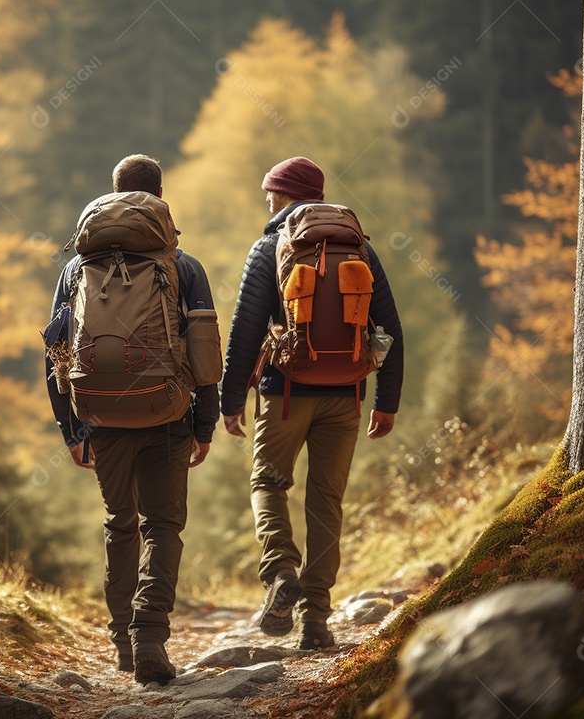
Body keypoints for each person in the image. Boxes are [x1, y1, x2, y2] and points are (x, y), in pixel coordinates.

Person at [45, 154, 220, 684]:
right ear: (160, 197)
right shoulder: (183, 266)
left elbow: (56, 349)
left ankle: (123, 643)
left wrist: (72, 428)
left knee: (120, 524)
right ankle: (150, 637)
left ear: (114, 194)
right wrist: (205, 424)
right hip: (168, 412)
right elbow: (206, 353)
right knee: (162, 525)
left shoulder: (77, 269)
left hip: (100, 414)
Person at [221, 156, 404, 650]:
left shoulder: (269, 248)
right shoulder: (360, 248)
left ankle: (281, 570)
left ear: (283, 196)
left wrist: (229, 398)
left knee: (269, 481)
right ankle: (316, 622)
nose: (267, 199)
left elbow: (244, 330)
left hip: (285, 394)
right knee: (326, 502)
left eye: (271, 192)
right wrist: (387, 401)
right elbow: (389, 328)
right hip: (345, 395)